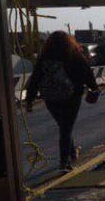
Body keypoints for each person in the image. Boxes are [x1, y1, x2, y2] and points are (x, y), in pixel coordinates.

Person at [25, 31, 100, 172]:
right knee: (66, 128)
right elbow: (86, 72)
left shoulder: (44, 58)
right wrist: (94, 87)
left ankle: (72, 153)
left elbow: (35, 79)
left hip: (50, 98)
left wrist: (29, 100)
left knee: (64, 126)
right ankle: (64, 163)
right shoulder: (73, 55)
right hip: (72, 96)